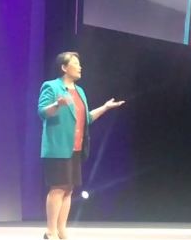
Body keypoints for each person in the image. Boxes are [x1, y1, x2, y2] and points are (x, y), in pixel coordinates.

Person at [38, 52, 125, 239]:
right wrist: (57, 104)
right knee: (58, 188)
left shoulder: (80, 91)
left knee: (68, 189)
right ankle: (50, 231)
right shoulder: (52, 86)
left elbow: (86, 119)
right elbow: (42, 112)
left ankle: (62, 230)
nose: (80, 67)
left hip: (75, 148)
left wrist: (105, 107)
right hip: (58, 147)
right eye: (76, 63)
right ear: (64, 67)